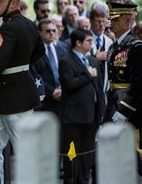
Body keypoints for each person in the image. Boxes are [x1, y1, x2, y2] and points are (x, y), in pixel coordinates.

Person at [0, 0, 45, 183]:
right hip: (14, 96)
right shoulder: (28, 24)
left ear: (14, 3)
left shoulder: (9, 28)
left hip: (8, 97)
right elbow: (40, 51)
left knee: (6, 150)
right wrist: (22, 66)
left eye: (1, 0)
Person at [59, 29, 105, 184]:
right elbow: (69, 85)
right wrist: (87, 74)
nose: (92, 44)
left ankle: (84, 179)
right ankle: (71, 179)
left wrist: (102, 111)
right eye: (89, 41)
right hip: (73, 117)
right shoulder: (66, 61)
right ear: (78, 43)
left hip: (92, 115)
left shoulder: (93, 61)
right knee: (72, 153)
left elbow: (99, 88)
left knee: (88, 153)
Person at [106, 1, 142, 127]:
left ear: (127, 20)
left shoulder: (136, 46)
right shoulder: (113, 47)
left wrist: (124, 111)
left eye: (116, 19)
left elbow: (138, 85)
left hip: (130, 109)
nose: (112, 23)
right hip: (113, 103)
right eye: (111, 19)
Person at [33, 19, 66, 116]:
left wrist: (63, 89)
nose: (51, 33)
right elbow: (34, 75)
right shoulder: (34, 52)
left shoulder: (62, 48)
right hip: (45, 101)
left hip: (63, 98)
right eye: (48, 31)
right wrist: (52, 91)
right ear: (39, 33)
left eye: (53, 30)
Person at [89, 8, 113, 93]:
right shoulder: (84, 39)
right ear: (91, 21)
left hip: (105, 88)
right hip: (89, 89)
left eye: (103, 21)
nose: (101, 24)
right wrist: (95, 58)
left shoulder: (109, 41)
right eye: (98, 21)